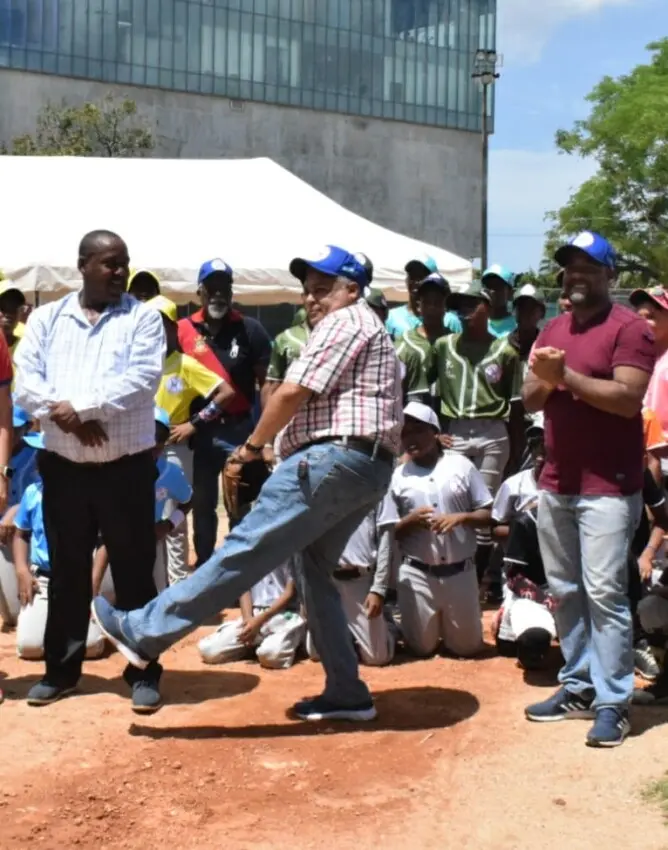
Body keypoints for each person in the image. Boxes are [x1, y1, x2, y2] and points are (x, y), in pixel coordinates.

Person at [92, 244, 403, 723]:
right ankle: (347, 691)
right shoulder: (365, 324)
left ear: (352, 290)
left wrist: (252, 446)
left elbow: (292, 391)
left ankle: (144, 631)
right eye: (307, 291)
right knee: (313, 570)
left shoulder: (345, 321)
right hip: (362, 465)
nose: (311, 300)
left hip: (333, 458)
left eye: (322, 289)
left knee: (243, 550)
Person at [14, 229, 166, 710]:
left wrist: (77, 410)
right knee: (67, 570)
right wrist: (70, 421)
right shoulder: (46, 319)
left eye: (123, 262)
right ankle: (62, 671)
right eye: (109, 263)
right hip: (64, 468)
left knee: (135, 570)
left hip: (126, 469)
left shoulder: (142, 319)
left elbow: (140, 382)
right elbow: (25, 384)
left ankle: (143, 670)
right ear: (83, 265)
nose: (120, 271)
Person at [522, 230, 655, 748]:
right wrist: (551, 377)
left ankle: (613, 701)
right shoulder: (553, 325)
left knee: (604, 594)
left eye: (588, 267)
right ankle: (577, 686)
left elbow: (626, 399)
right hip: (558, 481)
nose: (575, 275)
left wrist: (565, 376)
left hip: (609, 485)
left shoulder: (630, 329)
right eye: (569, 267)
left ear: (610, 276)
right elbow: (531, 397)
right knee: (567, 591)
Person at [177, 259, 272, 562]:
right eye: (211, 288)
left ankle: (237, 573)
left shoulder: (250, 329)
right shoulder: (183, 331)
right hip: (199, 433)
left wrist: (266, 437)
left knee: (240, 506)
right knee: (203, 507)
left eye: (224, 288)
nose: (218, 294)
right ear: (199, 292)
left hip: (241, 431)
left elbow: (266, 385)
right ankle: (206, 571)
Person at [434, 280, 522, 596]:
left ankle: (476, 581)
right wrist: (434, 431)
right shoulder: (444, 346)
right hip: (456, 429)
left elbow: (515, 405)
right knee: (450, 500)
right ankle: (452, 574)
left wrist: (515, 448)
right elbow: (427, 395)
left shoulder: (506, 349)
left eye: (472, 304)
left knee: (485, 509)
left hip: (492, 432)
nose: (465, 311)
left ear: (487, 306)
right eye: (460, 306)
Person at [389, 402, 491, 658]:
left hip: (461, 572)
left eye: (417, 431)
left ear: (435, 432)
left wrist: (462, 517)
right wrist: (409, 521)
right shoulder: (398, 476)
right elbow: (387, 533)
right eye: (405, 433)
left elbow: (489, 515)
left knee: (467, 649)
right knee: (420, 649)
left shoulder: (462, 465)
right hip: (417, 575)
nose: (410, 439)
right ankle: (391, 627)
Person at [148, 295, 234, 584]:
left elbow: (225, 393)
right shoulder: (139, 363)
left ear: (174, 328)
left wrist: (194, 425)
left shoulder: (184, 363)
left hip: (173, 448)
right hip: (139, 450)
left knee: (174, 518)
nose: (156, 332)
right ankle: (152, 585)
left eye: (162, 325)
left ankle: (178, 586)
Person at [92, 408, 193, 607]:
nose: (151, 451)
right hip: (112, 540)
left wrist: (168, 524)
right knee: (108, 597)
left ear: (163, 445)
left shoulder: (170, 472)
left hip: (148, 541)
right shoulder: (116, 466)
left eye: (157, 445)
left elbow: (189, 501)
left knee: (150, 602)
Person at [14, 476, 106, 661]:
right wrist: (22, 569)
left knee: (90, 647)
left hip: (79, 577)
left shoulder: (91, 493)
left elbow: (104, 541)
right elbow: (21, 534)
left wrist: (93, 582)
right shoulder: (33, 493)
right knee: (29, 647)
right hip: (42, 578)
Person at [306, 493, 398, 667]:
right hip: (328, 580)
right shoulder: (323, 484)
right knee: (317, 653)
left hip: (361, 581)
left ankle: (388, 627)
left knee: (377, 657)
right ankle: (350, 632)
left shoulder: (378, 486)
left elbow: (386, 543)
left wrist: (378, 588)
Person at [198, 563, 305, 669]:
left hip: (284, 615)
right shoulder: (251, 553)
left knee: (271, 656)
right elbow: (244, 588)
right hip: (254, 614)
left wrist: (259, 621)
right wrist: (248, 619)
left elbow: (289, 593)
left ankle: (294, 639)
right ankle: (255, 644)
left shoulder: (291, 552)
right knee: (208, 651)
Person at [494, 508, 557, 670]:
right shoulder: (527, 521)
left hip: (574, 596)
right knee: (533, 641)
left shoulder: (589, 518)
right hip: (536, 595)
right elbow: (514, 577)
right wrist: (549, 601)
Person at [0, 404, 43, 628]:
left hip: (25, 532)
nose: (12, 433)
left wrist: (14, 511)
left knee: (17, 616)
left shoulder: (36, 452)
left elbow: (38, 495)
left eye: (16, 429)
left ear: (26, 428)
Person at [395, 273, 451, 405]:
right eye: (427, 302)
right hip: (415, 417)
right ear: (419, 306)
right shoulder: (404, 343)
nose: (432, 307)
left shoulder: (454, 343)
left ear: (445, 306)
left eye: (437, 302)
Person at [386, 255, 461, 339]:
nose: (416, 282)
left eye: (422, 277)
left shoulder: (450, 321)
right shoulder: (392, 317)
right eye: (412, 276)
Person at [481, 265, 516, 338]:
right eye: (488, 286)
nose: (492, 291)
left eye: (498, 286)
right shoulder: (476, 324)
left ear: (510, 293)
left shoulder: (517, 328)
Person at [0, 282, 27, 363]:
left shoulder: (27, 345)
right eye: (3, 307)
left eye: (13, 308)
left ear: (20, 313)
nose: (9, 314)